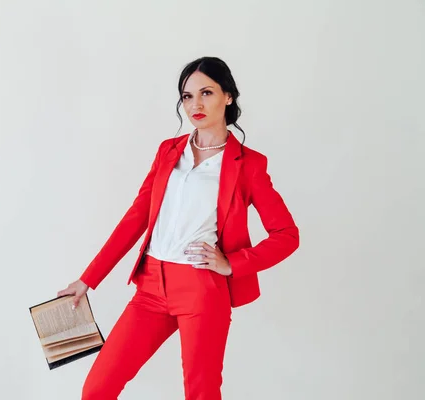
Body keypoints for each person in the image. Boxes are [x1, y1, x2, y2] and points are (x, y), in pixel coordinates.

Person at [57, 56, 300, 400]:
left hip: (202, 289)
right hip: (151, 286)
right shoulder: (168, 151)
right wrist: (88, 279)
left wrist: (232, 263)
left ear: (228, 97)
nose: (195, 104)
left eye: (206, 93)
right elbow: (135, 218)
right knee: (97, 388)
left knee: (200, 394)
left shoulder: (249, 165)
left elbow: (288, 236)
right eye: (187, 96)